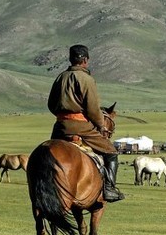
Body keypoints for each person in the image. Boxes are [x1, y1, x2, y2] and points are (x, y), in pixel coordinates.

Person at [48, 43, 124, 202]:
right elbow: (93, 108)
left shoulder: (60, 77)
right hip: (81, 127)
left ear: (70, 59)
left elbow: (51, 104)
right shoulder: (87, 79)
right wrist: (101, 124)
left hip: (60, 127)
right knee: (111, 152)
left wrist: (63, 116)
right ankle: (109, 189)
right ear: (85, 61)